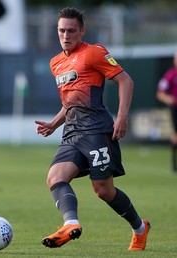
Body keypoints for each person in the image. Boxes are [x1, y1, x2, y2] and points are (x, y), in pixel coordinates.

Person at [34, 7, 150, 251]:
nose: (66, 35)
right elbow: (70, 102)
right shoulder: (56, 62)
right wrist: (53, 125)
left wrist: (122, 116)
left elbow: (126, 80)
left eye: (71, 30)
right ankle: (70, 224)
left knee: (103, 191)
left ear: (82, 31)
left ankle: (140, 228)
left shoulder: (94, 53)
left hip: (97, 132)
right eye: (61, 30)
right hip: (71, 134)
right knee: (55, 178)